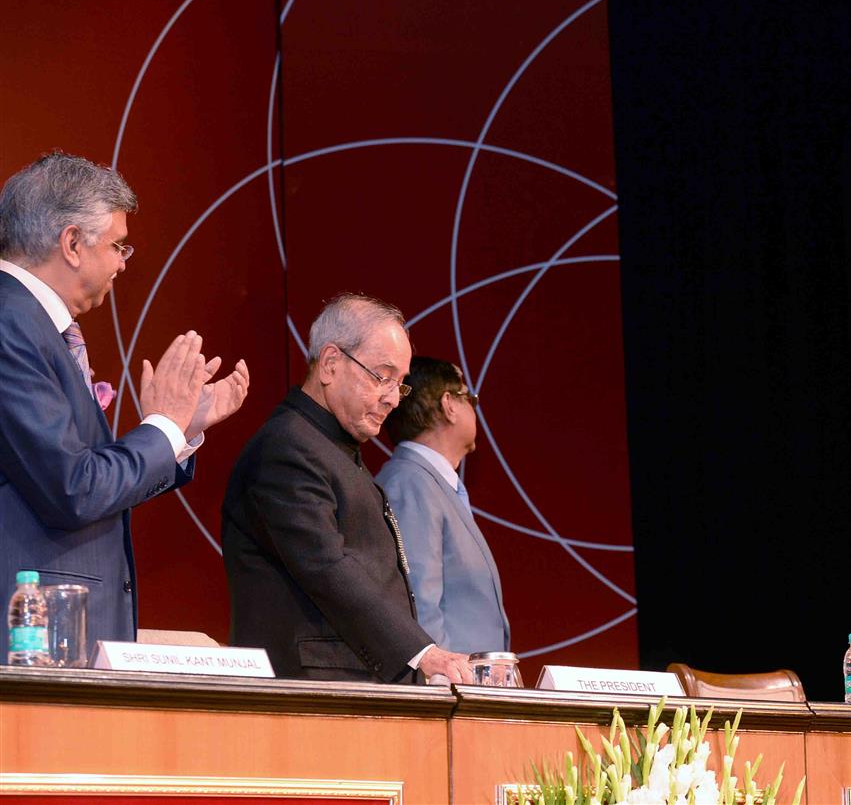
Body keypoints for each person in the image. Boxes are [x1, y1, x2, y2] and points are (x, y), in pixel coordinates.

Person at [0, 152, 250, 660]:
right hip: (36, 640)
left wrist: (177, 433)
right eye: (117, 245)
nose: (122, 262)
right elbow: (73, 489)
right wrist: (161, 428)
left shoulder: (34, 325)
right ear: (71, 243)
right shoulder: (11, 322)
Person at [221, 295, 473, 684]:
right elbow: (326, 565)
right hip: (309, 698)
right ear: (331, 363)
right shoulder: (288, 448)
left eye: (400, 384)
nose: (392, 398)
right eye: (381, 376)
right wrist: (421, 651)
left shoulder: (331, 446)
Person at [377, 357, 510, 656]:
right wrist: (441, 690)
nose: (474, 408)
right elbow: (418, 605)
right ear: (449, 405)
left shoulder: (431, 484)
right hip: (447, 692)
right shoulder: (409, 483)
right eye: (469, 398)